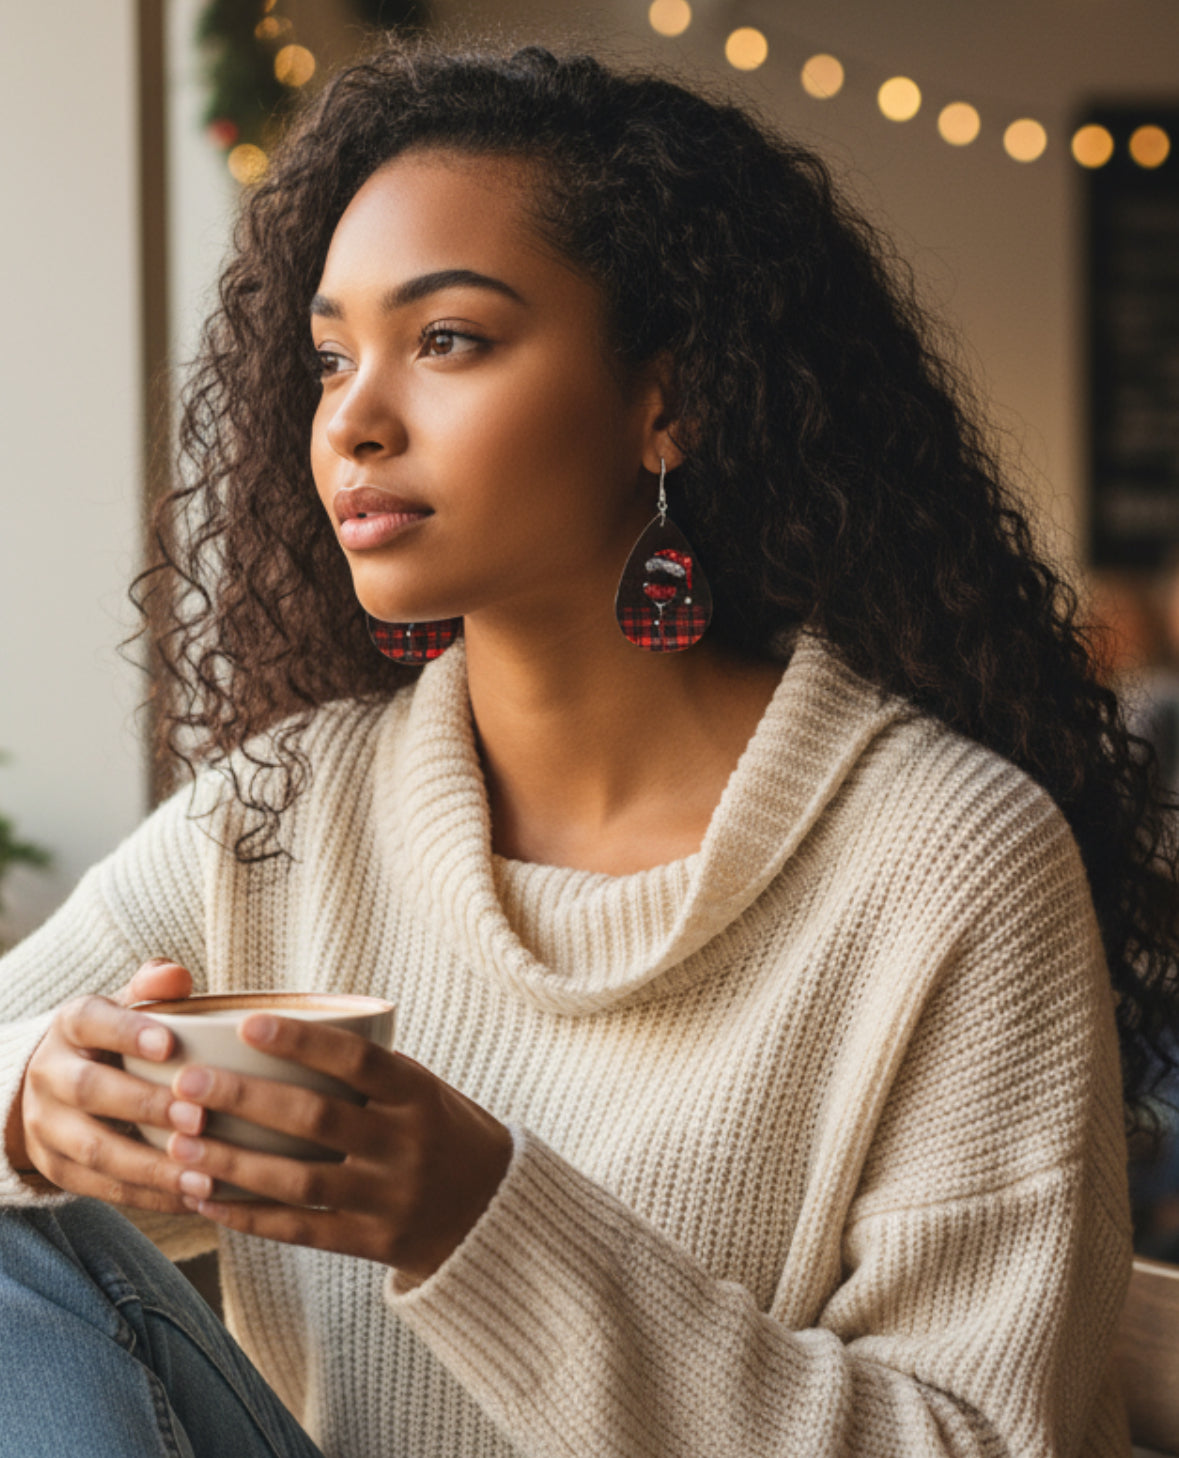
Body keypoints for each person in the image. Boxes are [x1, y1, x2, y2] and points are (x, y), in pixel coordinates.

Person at [0, 36, 1176, 1458]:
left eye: (447, 340)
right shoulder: (289, 803)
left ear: (665, 399)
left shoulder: (947, 860)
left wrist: (477, 1215)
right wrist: (38, 1107)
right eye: (328, 358)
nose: (353, 421)